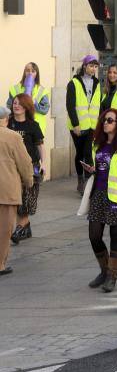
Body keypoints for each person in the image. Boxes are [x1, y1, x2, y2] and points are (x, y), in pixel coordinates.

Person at [82, 108, 117, 292]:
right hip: (99, 194)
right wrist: (93, 170)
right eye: (104, 120)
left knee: (116, 235)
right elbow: (102, 168)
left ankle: (112, 276)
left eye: (110, 120)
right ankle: (104, 270)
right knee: (94, 235)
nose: (105, 123)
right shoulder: (98, 144)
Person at [0, 106, 33, 276]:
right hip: (7, 190)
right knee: (4, 230)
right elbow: (25, 162)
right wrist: (29, 182)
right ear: (6, 119)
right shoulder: (13, 137)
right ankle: (0, 264)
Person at [8, 94, 44, 245]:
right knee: (15, 198)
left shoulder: (32, 125)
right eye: (15, 103)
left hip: (30, 166)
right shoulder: (8, 124)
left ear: (26, 108)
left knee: (26, 199)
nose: (16, 106)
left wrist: (43, 163)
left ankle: (21, 228)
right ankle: (24, 227)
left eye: (20, 104)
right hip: (11, 167)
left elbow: (39, 144)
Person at [67, 54, 101, 195]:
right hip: (78, 126)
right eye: (91, 66)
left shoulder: (97, 83)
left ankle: (88, 183)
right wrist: (75, 124)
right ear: (85, 66)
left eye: (95, 66)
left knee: (88, 152)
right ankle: (80, 179)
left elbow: (97, 103)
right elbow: (70, 105)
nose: (93, 69)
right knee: (79, 154)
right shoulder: (73, 83)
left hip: (92, 125)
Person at [7, 62, 50, 137]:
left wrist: (33, 103)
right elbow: (9, 107)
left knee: (35, 148)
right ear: (24, 72)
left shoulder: (42, 91)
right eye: (27, 70)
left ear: (36, 74)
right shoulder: (15, 89)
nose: (30, 73)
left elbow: (45, 110)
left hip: (36, 127)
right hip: (17, 127)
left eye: (33, 71)